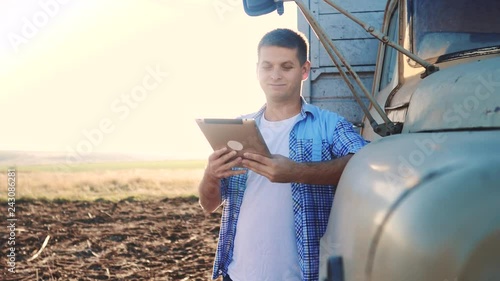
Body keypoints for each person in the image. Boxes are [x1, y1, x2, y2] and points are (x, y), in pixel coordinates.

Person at [198, 28, 368, 281]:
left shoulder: (330, 125)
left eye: (286, 66)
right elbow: (208, 204)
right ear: (257, 69)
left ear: (304, 70)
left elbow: (365, 165)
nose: (275, 75)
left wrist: (297, 172)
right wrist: (211, 175)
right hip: (237, 274)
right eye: (267, 66)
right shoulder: (235, 128)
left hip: (303, 275)